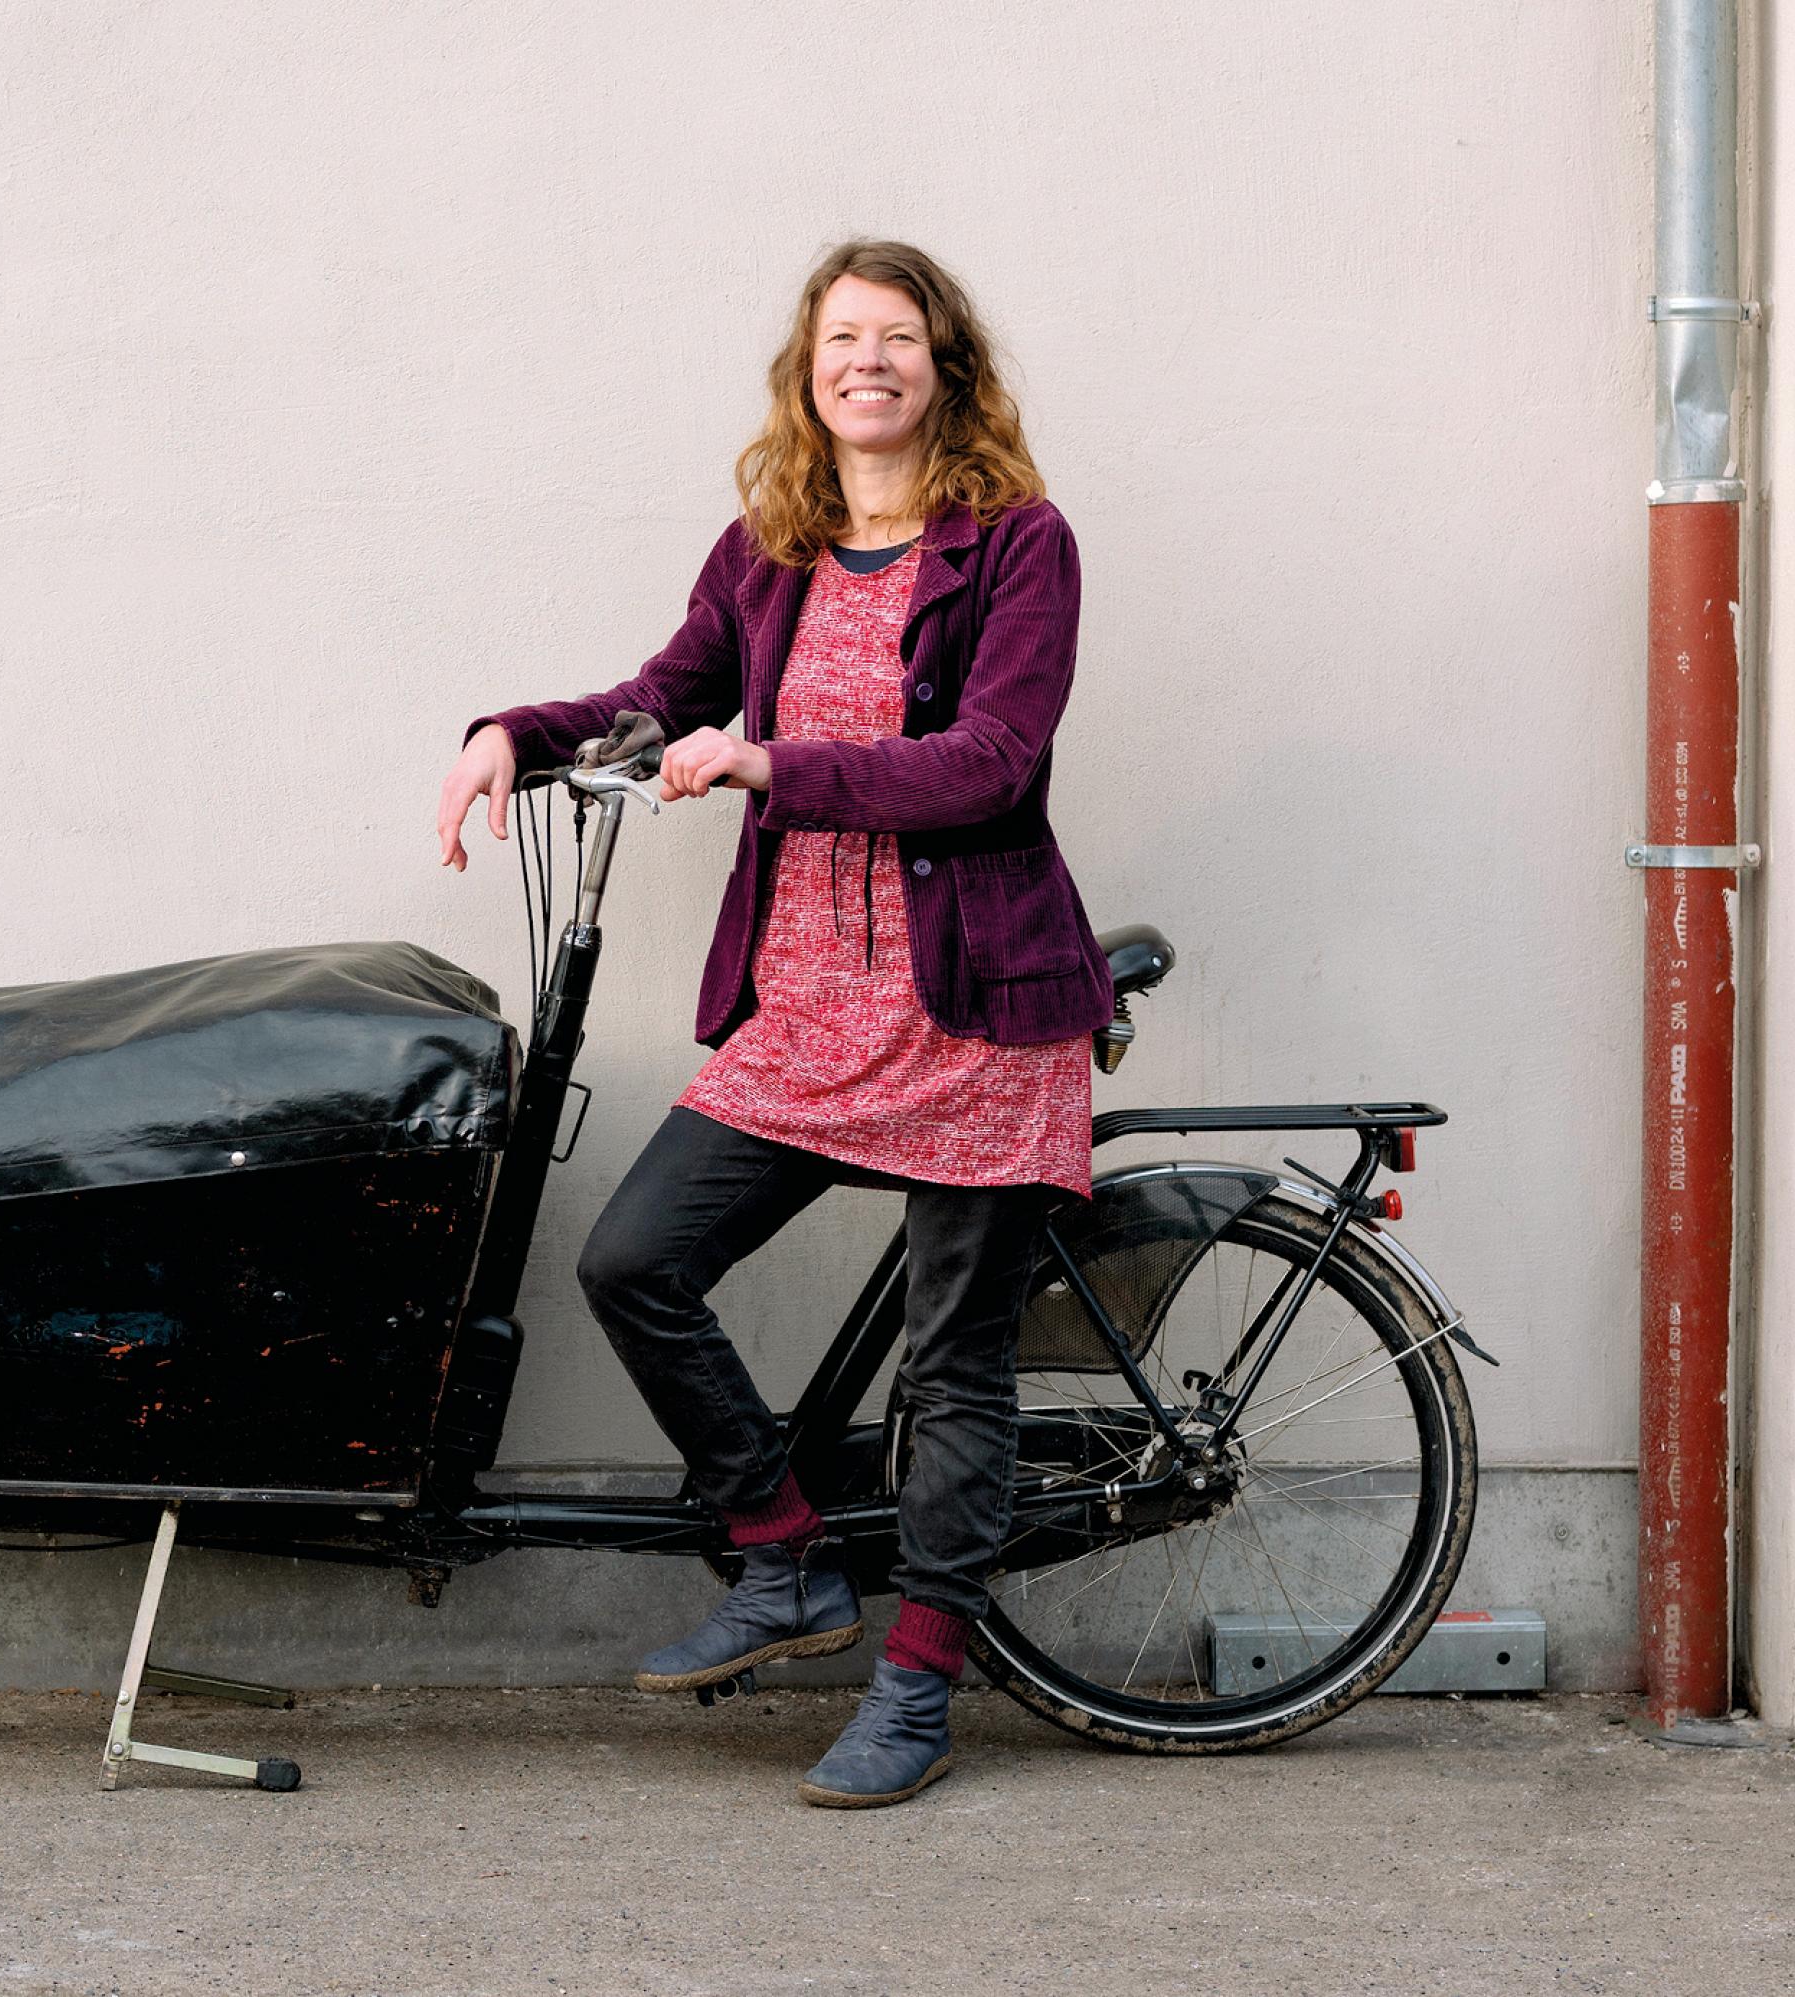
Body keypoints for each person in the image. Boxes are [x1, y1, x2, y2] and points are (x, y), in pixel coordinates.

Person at [435, 239, 1113, 1808]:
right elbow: (662, 692)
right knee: (634, 1259)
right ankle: (781, 1553)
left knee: (954, 1367)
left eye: (893, 337)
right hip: (807, 1005)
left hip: (973, 1008)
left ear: (944, 363)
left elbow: (992, 761)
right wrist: (511, 736)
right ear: (806, 370)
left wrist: (768, 766)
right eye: (837, 339)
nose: (862, 360)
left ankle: (919, 1684)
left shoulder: (1018, 542)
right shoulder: (768, 547)